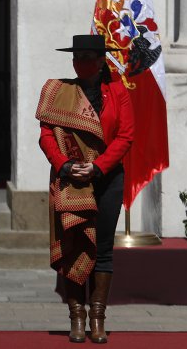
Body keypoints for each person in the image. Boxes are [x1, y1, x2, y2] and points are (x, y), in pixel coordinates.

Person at [36, 34, 134, 344]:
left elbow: (126, 136)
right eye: (76, 57)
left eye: (87, 57)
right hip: (70, 178)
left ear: (100, 60)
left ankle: (98, 318)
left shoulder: (118, 91)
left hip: (106, 179)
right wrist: (64, 165)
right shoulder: (59, 91)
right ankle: (76, 317)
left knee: (102, 249)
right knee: (73, 246)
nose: (80, 63)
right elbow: (47, 135)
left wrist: (99, 166)